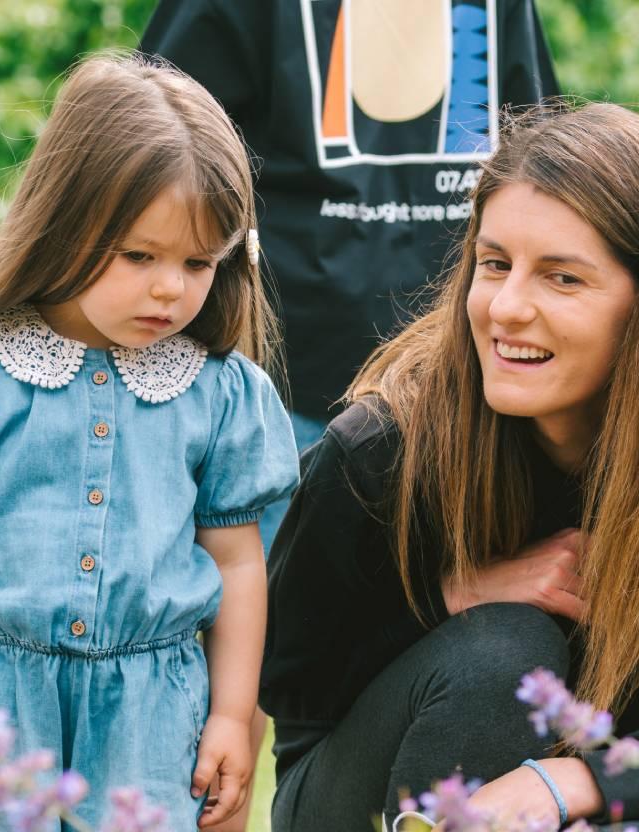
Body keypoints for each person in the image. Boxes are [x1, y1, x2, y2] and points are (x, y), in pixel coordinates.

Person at [261, 102, 639, 830]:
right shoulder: (382, 447)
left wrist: (576, 781)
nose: (506, 307)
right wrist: (452, 600)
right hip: (363, 794)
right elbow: (289, 680)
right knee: (508, 652)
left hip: (601, 786)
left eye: (561, 279)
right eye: (494, 264)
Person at [0, 53, 298, 831]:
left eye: (200, 262)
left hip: (153, 720)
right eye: (140, 256)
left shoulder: (219, 394)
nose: (171, 288)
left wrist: (232, 716)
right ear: (65, 222)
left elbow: (237, 561)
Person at [137, 0, 561, 550]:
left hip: (466, 387)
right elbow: (150, 140)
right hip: (278, 389)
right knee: (280, 613)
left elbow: (540, 158)